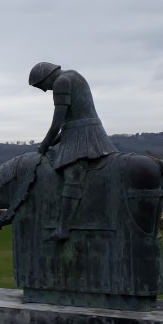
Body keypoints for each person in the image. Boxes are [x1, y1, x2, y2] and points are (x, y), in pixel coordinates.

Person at [29, 62, 117, 242]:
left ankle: (63, 227)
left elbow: (57, 123)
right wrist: (51, 142)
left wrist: (45, 145)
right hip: (80, 131)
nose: (45, 90)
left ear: (46, 77)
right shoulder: (73, 75)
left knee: (72, 174)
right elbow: (69, 124)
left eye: (41, 86)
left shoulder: (61, 82)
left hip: (84, 135)